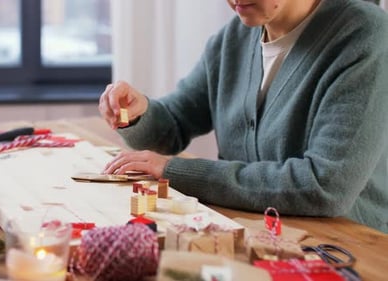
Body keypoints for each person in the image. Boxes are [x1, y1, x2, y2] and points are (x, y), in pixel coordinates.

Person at [98, 0, 388, 233]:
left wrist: (178, 172)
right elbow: (173, 123)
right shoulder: (232, 39)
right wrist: (137, 113)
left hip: (349, 245)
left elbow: (325, 185)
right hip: (253, 234)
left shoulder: (364, 34)